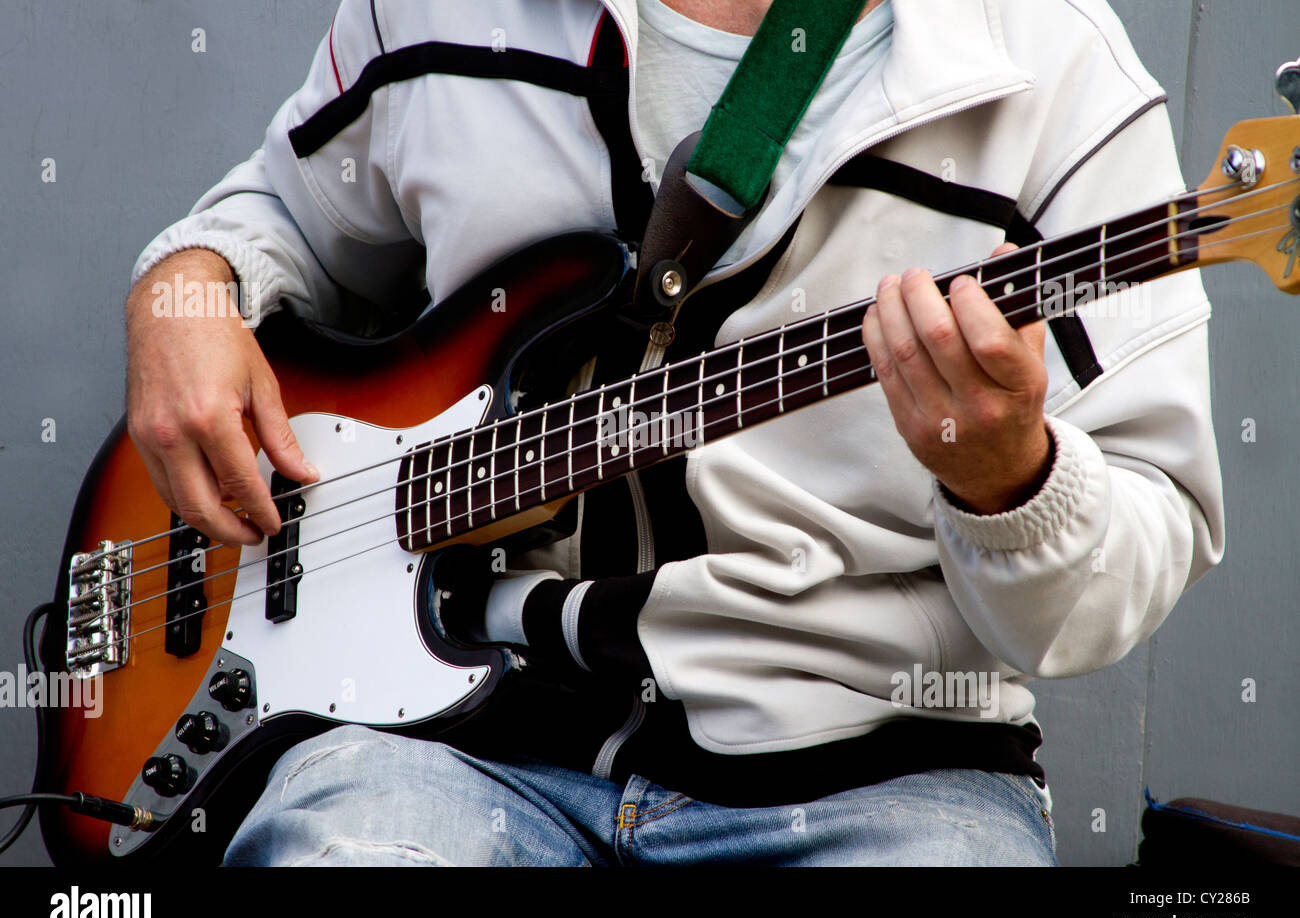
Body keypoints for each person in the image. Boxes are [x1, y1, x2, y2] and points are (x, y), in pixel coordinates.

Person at [125, 0, 1225, 865]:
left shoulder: (1054, 65)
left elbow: (1132, 554)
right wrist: (184, 284)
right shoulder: (432, 11)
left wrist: (1010, 482)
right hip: (457, 741)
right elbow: (280, 211)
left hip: (886, 773)